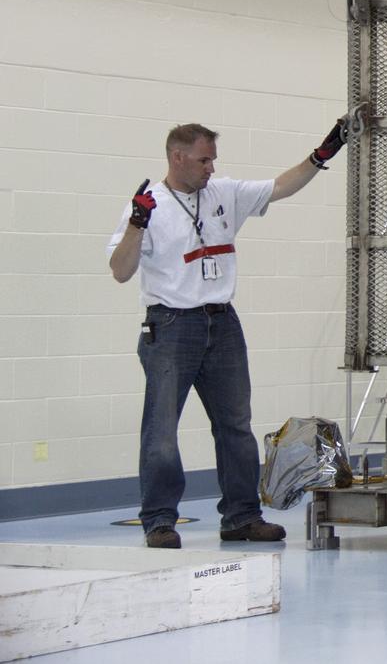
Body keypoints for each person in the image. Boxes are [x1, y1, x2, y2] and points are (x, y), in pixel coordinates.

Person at [108, 118, 352, 548]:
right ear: (177, 157)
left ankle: (241, 517)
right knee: (162, 430)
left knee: (235, 426)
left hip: (222, 324)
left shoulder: (223, 194)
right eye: (204, 160)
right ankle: (160, 521)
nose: (211, 169)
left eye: (213, 160)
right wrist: (136, 224)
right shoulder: (150, 206)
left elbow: (280, 187)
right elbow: (120, 272)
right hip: (170, 327)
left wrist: (321, 155)